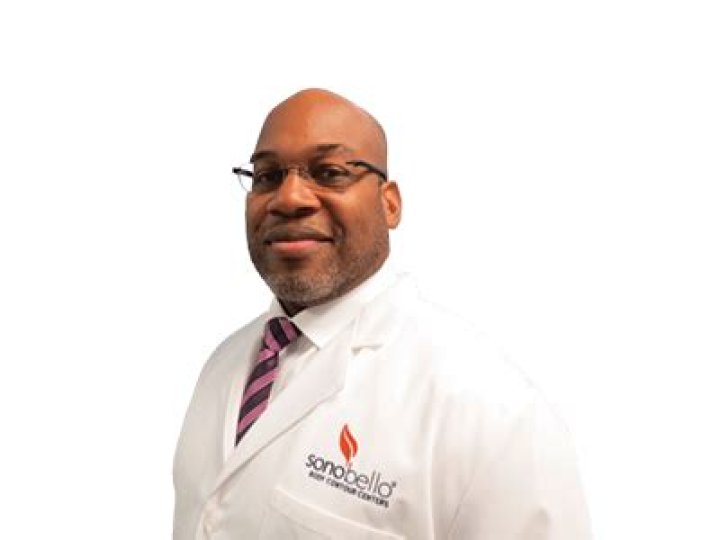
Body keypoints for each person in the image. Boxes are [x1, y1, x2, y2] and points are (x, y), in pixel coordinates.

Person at [173, 88, 592, 539]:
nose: (289, 198)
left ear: (390, 204)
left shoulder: (493, 413)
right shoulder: (224, 366)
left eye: (330, 172)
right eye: (268, 175)